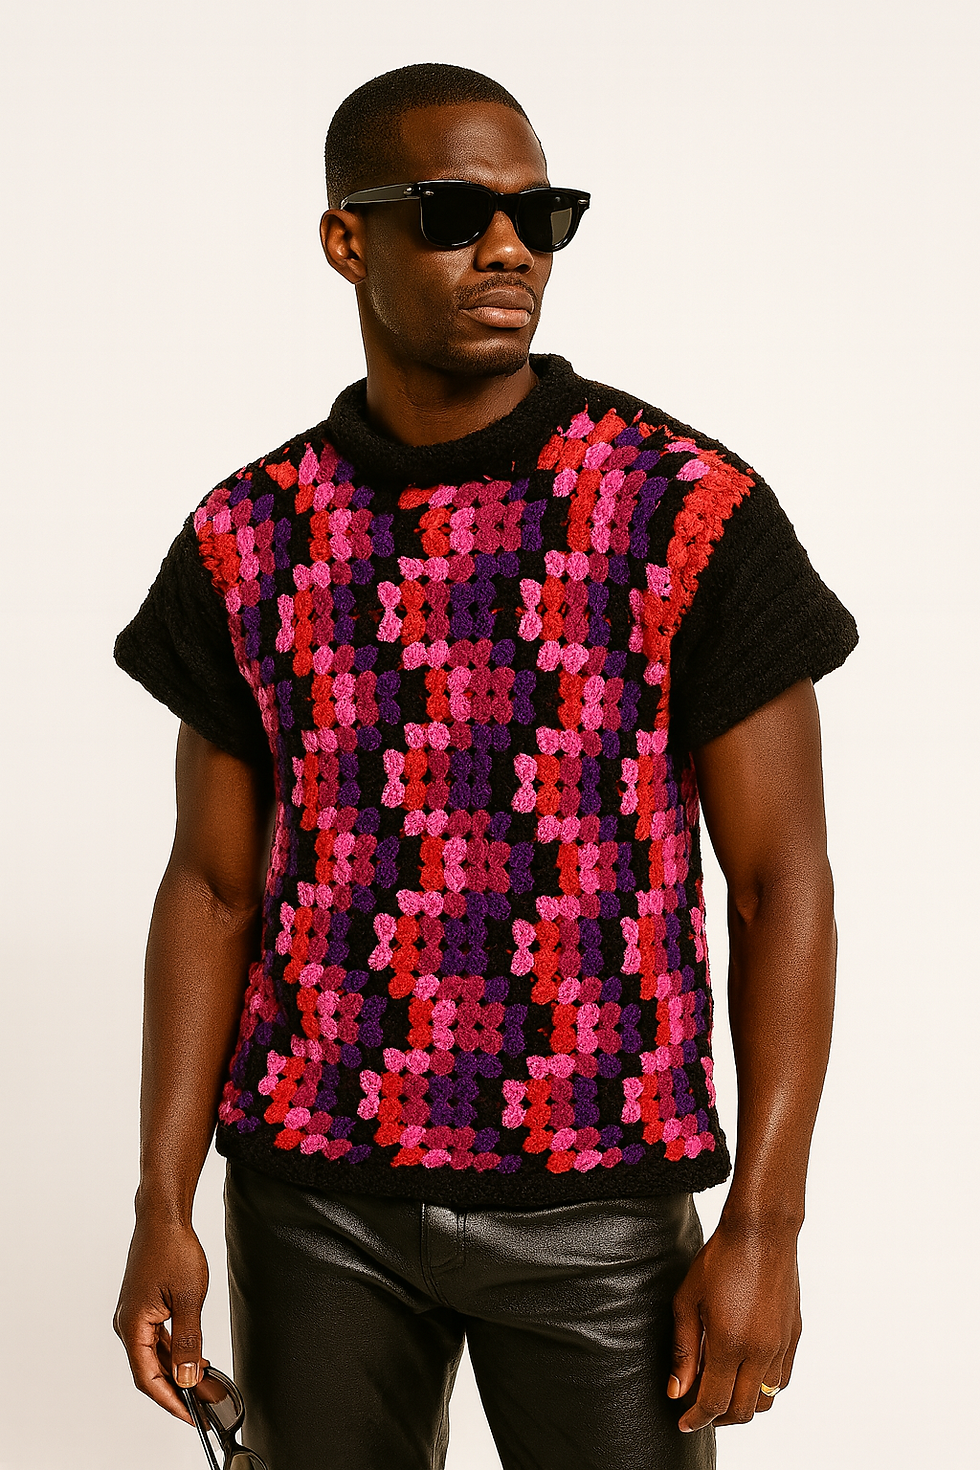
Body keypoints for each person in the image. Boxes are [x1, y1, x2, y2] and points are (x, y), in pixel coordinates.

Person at [112, 62, 858, 1470]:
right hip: (312, 1197)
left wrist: (765, 1223)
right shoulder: (248, 536)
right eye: (456, 213)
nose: (510, 248)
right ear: (347, 239)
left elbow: (780, 879)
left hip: (601, 1206)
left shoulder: (685, 510)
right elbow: (210, 886)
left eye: (541, 215)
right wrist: (163, 1203)